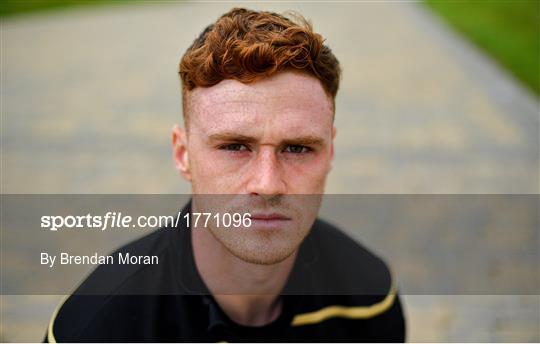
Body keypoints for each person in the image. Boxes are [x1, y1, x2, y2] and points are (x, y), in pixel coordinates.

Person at [46, 8, 405, 342]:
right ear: (182, 154)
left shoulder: (368, 299)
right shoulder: (97, 326)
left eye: (297, 148)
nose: (267, 184)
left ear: (330, 152)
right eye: (235, 146)